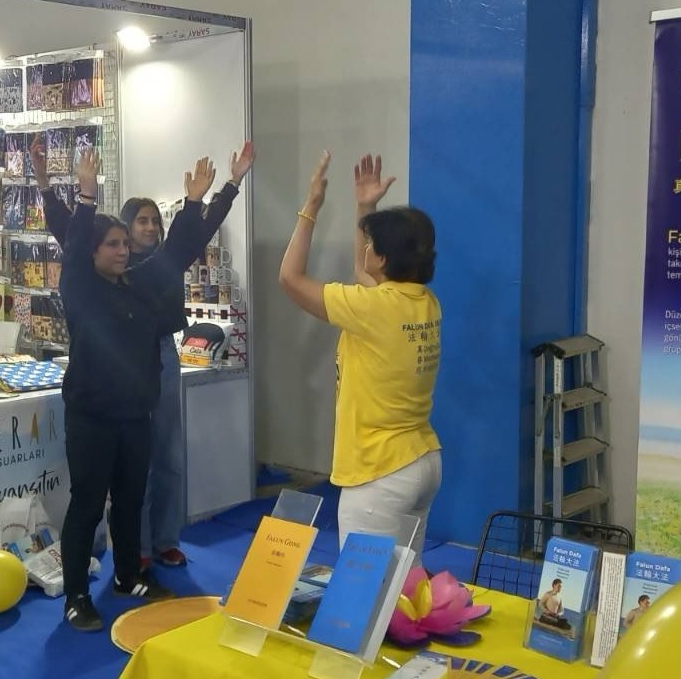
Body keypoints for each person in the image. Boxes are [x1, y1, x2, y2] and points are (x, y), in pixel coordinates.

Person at [31, 137, 254, 572]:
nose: (149, 229)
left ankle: (155, 545)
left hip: (156, 357)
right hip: (104, 382)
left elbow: (190, 238)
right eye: (140, 223)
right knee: (113, 480)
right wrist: (65, 190)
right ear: (113, 238)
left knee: (162, 456)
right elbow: (71, 236)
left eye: (155, 221)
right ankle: (131, 552)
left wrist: (219, 191)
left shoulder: (152, 271)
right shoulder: (91, 277)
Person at [57, 149, 231, 632]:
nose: (122, 251)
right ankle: (76, 596)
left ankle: (128, 575)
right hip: (91, 418)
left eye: (123, 243)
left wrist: (196, 203)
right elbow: (74, 247)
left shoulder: (137, 284)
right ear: (93, 252)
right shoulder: (80, 289)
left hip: (134, 416)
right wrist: (86, 196)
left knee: (131, 497)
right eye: (111, 245)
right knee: (87, 505)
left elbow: (177, 251)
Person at [278, 152, 442, 566]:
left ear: (383, 258)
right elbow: (366, 275)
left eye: (372, 245)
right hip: (420, 460)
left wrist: (311, 206)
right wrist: (366, 207)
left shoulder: (373, 309)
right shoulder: (422, 301)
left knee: (363, 592)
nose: (366, 249)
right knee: (403, 583)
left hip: (379, 470)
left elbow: (290, 279)